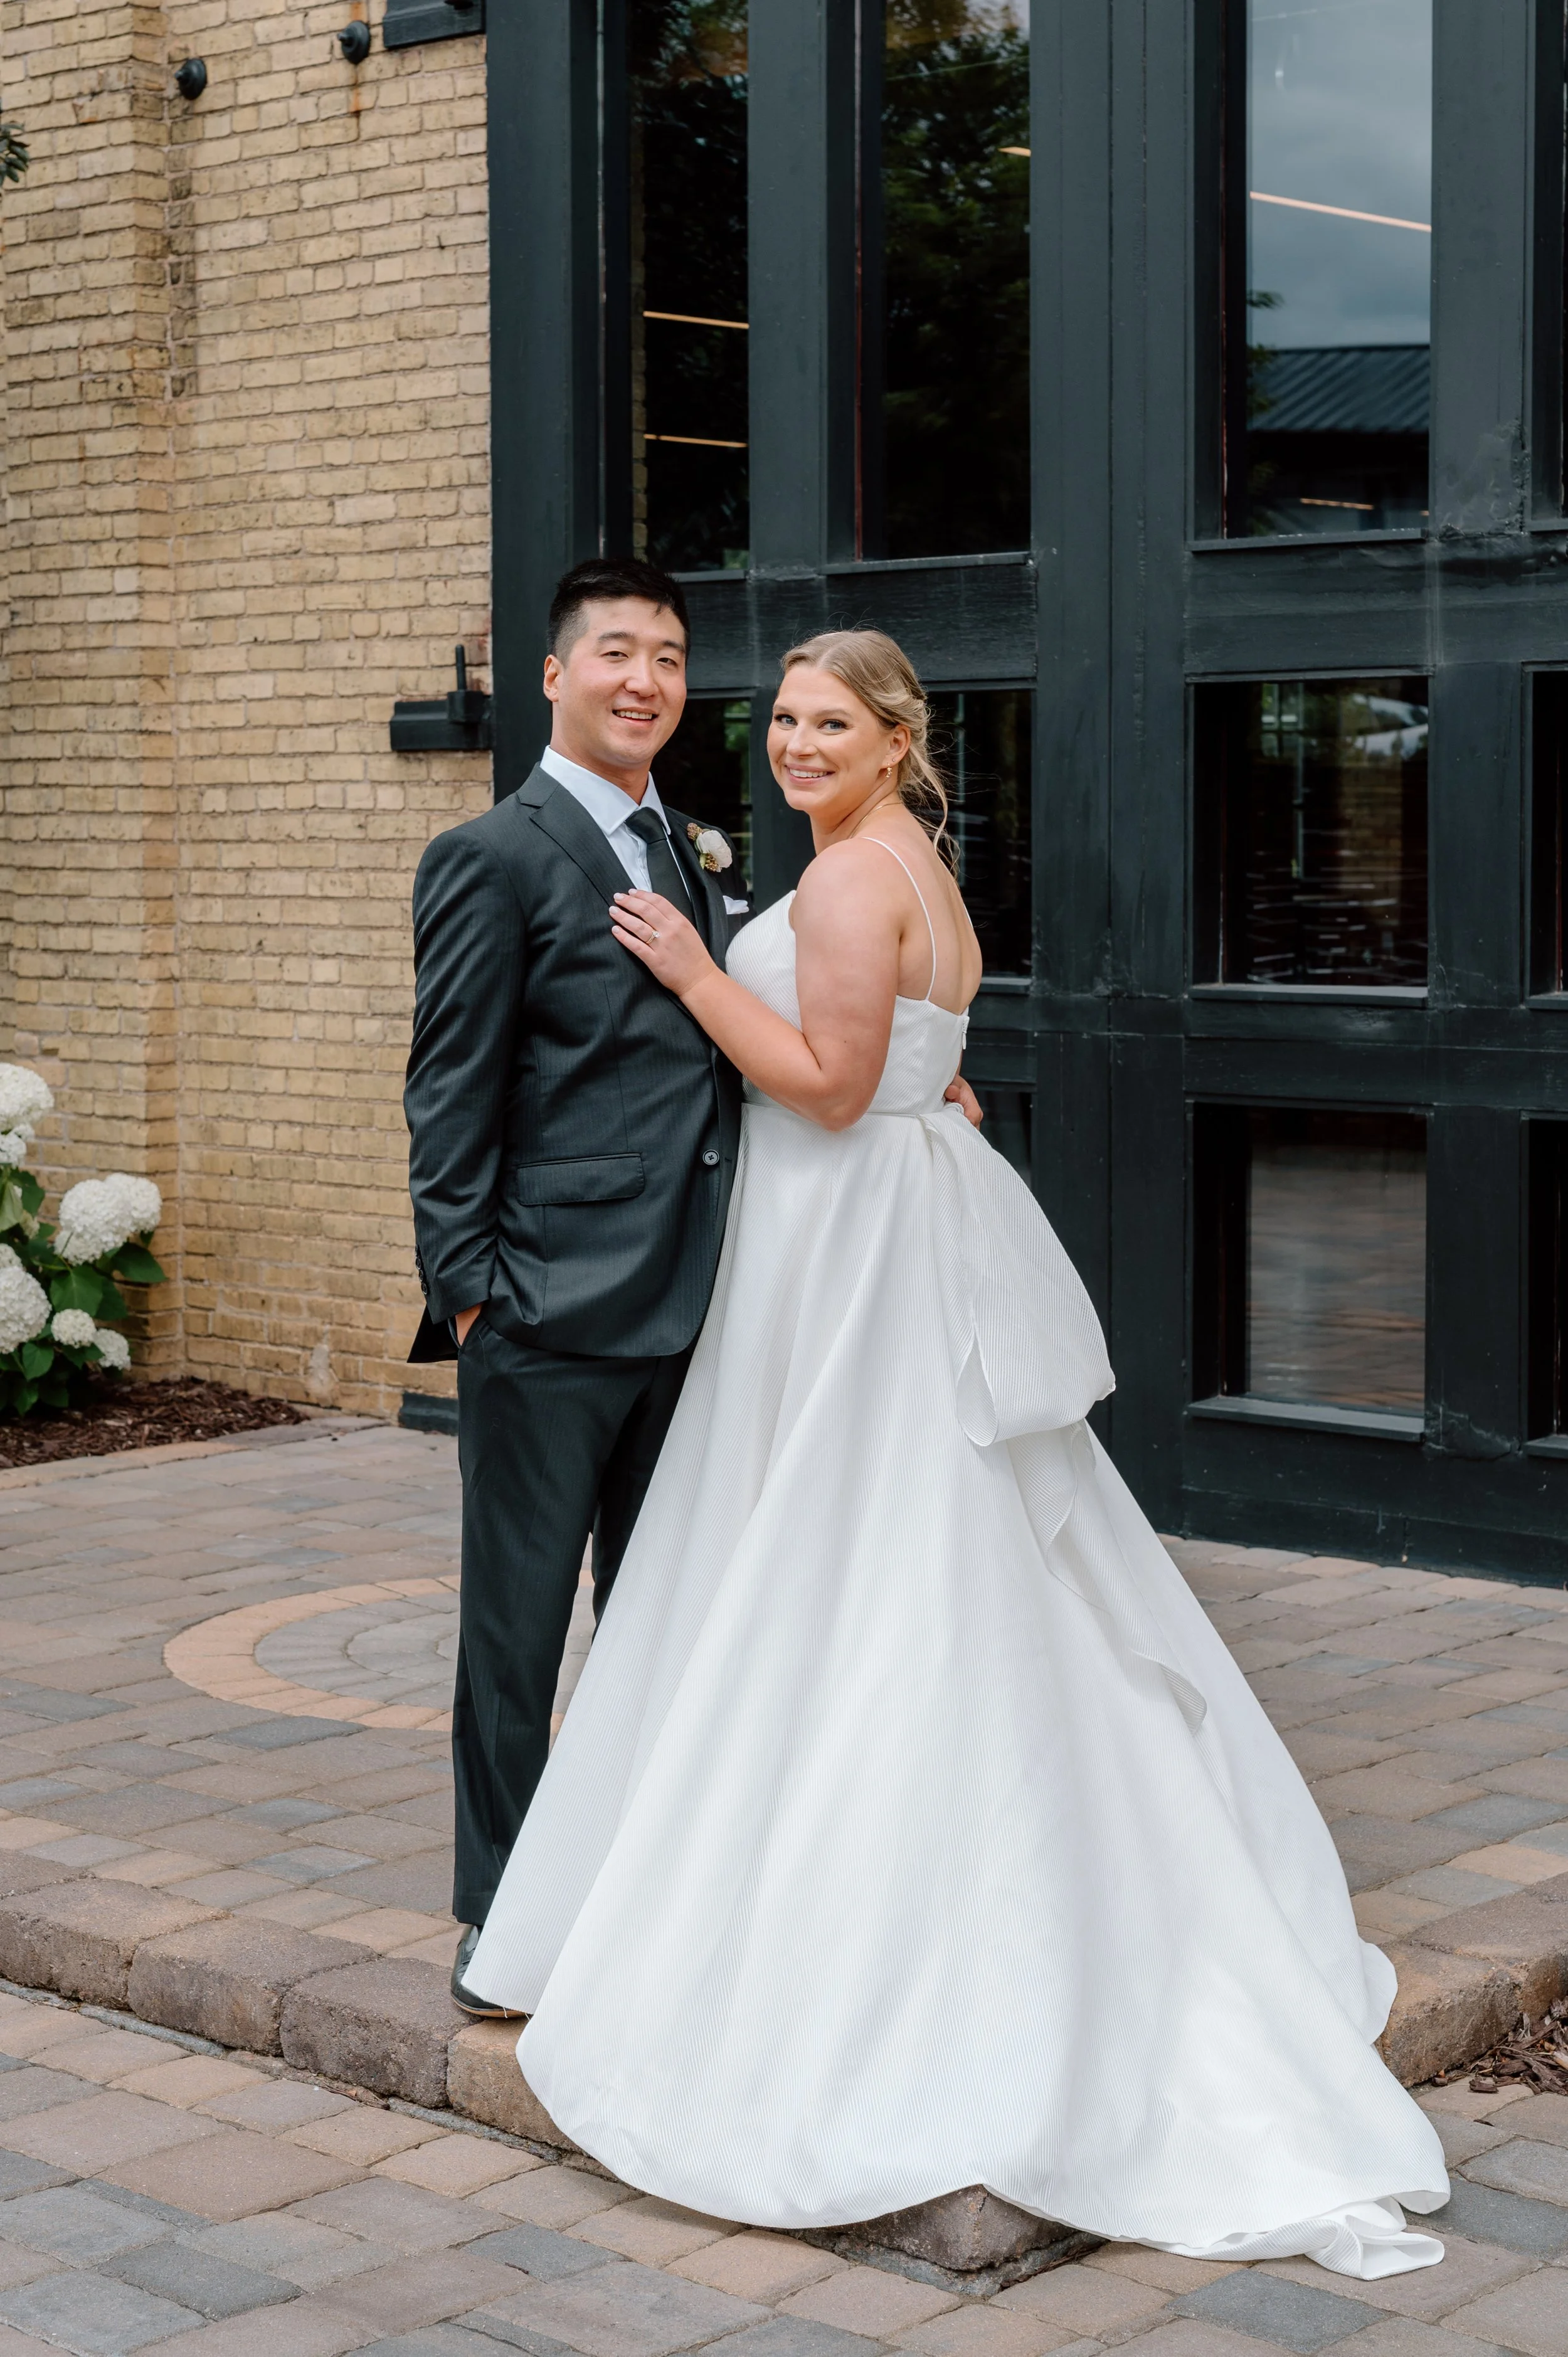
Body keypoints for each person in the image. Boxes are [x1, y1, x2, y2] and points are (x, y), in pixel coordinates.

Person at [465, 626, 1449, 2277]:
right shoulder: (904, 857)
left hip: (845, 1234)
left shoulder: (852, 880)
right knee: (901, 1535)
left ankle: (844, 1921)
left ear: (894, 732)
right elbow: (921, 1060)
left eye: (827, 719)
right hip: (876, 1225)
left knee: (848, 1545)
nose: (791, 742)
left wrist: (695, 974)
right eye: (778, 716)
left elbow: (835, 1088)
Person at [405, 563, 991, 2010]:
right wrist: (472, 1289)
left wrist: (923, 1074)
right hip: (548, 1310)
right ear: (554, 675)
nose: (643, 680)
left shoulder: (688, 843)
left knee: (674, 1614)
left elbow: (766, 1032)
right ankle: (500, 1914)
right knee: (517, 1632)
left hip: (712, 1304)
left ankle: (632, 1887)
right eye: (615, 653)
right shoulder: (494, 852)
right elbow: (447, 1090)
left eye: (667, 657)